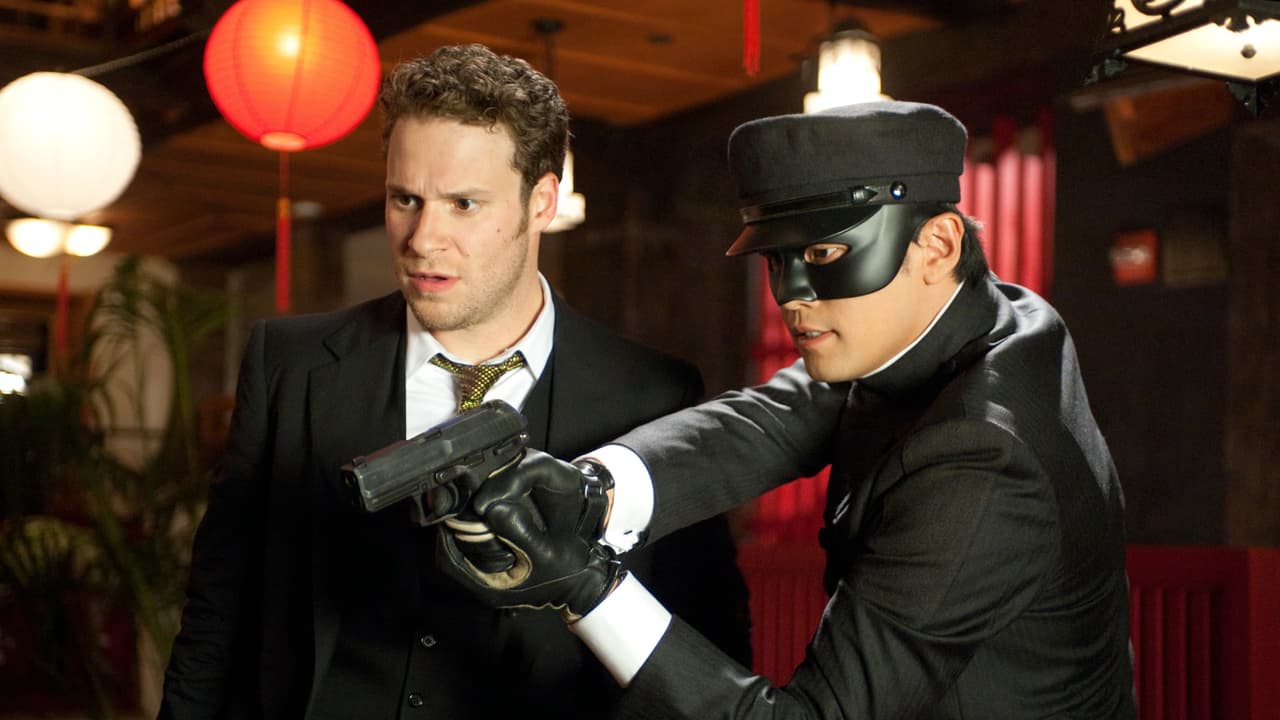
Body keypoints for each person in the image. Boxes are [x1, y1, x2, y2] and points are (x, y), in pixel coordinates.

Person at [439, 101, 1137, 719]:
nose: (792, 295)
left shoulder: (983, 459)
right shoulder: (983, 318)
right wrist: (593, 491)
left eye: (825, 252)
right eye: (778, 259)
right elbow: (770, 419)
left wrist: (590, 590)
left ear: (938, 245)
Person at [158, 43, 750, 720]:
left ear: (541, 202)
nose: (422, 238)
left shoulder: (653, 396)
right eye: (405, 199)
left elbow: (706, 635)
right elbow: (217, 611)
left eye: (464, 203)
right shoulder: (289, 365)